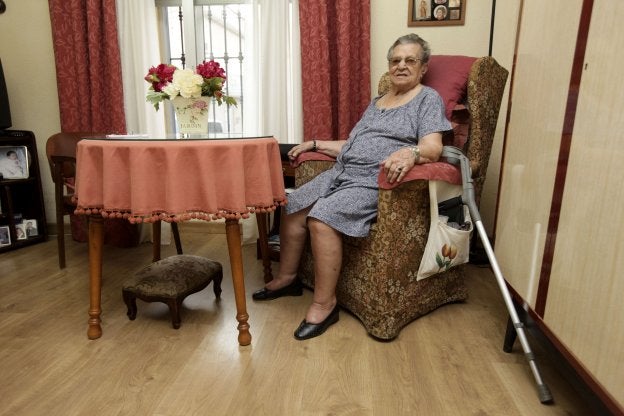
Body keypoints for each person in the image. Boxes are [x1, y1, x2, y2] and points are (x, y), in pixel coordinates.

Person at [252, 34, 451, 340]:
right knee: (293, 205)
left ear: (423, 67)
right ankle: (288, 279)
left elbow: (433, 147)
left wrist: (410, 153)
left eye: (410, 60)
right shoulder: (378, 102)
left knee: (322, 218)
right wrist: (316, 143)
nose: (401, 66)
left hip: (373, 179)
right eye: (395, 60)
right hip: (342, 172)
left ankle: (324, 304)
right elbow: (354, 145)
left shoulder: (427, 99)